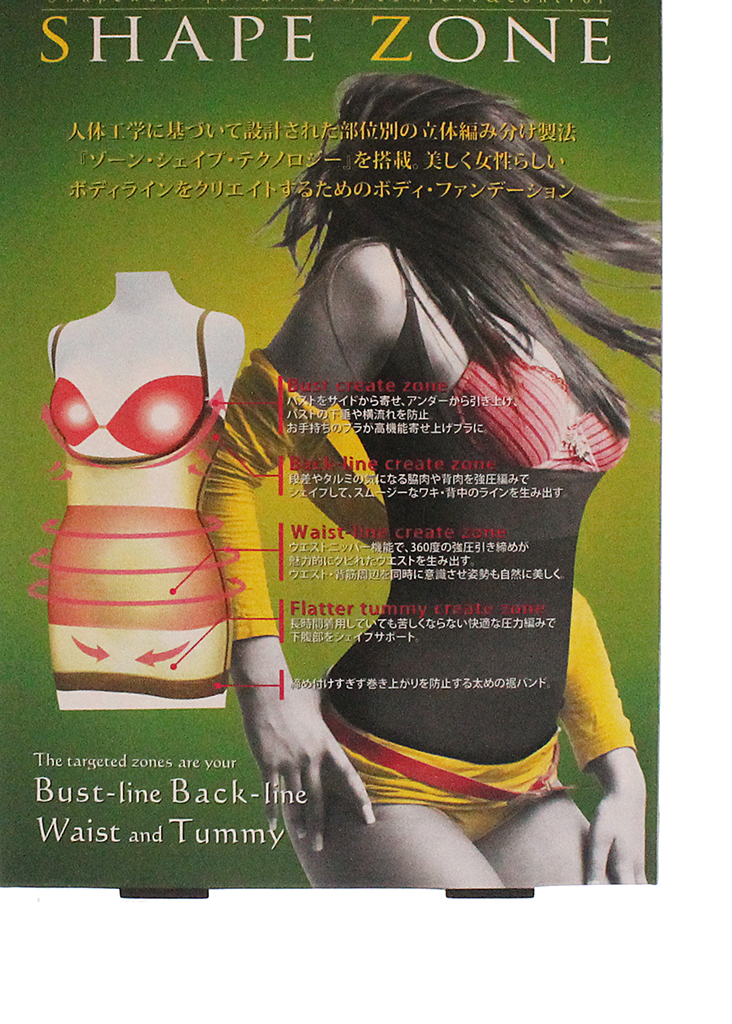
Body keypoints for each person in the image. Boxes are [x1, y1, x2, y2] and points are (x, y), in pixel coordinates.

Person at [201, 74, 660, 886]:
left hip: (529, 783)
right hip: (378, 769)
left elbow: (543, 583)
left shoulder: (518, 314)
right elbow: (228, 475)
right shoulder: (374, 279)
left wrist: (622, 771)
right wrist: (267, 693)